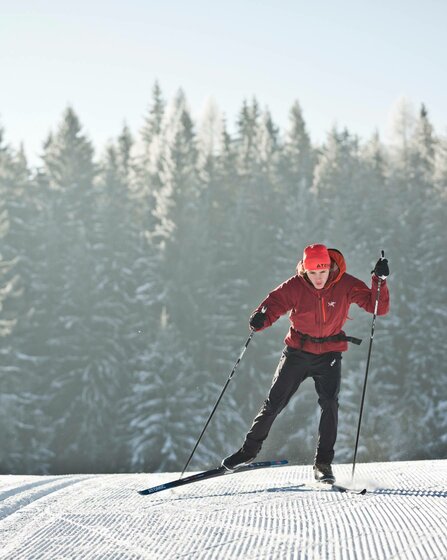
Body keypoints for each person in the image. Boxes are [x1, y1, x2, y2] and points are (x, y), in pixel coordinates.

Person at [222, 244, 390, 483]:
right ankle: (247, 452)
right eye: (313, 273)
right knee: (274, 403)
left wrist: (378, 280)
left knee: (330, 404)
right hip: (298, 353)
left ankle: (323, 465)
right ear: (304, 270)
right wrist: (260, 318)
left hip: (329, 353)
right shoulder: (295, 286)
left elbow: (378, 307)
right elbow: (273, 304)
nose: (318, 278)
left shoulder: (345, 284)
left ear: (330, 268)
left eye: (322, 272)